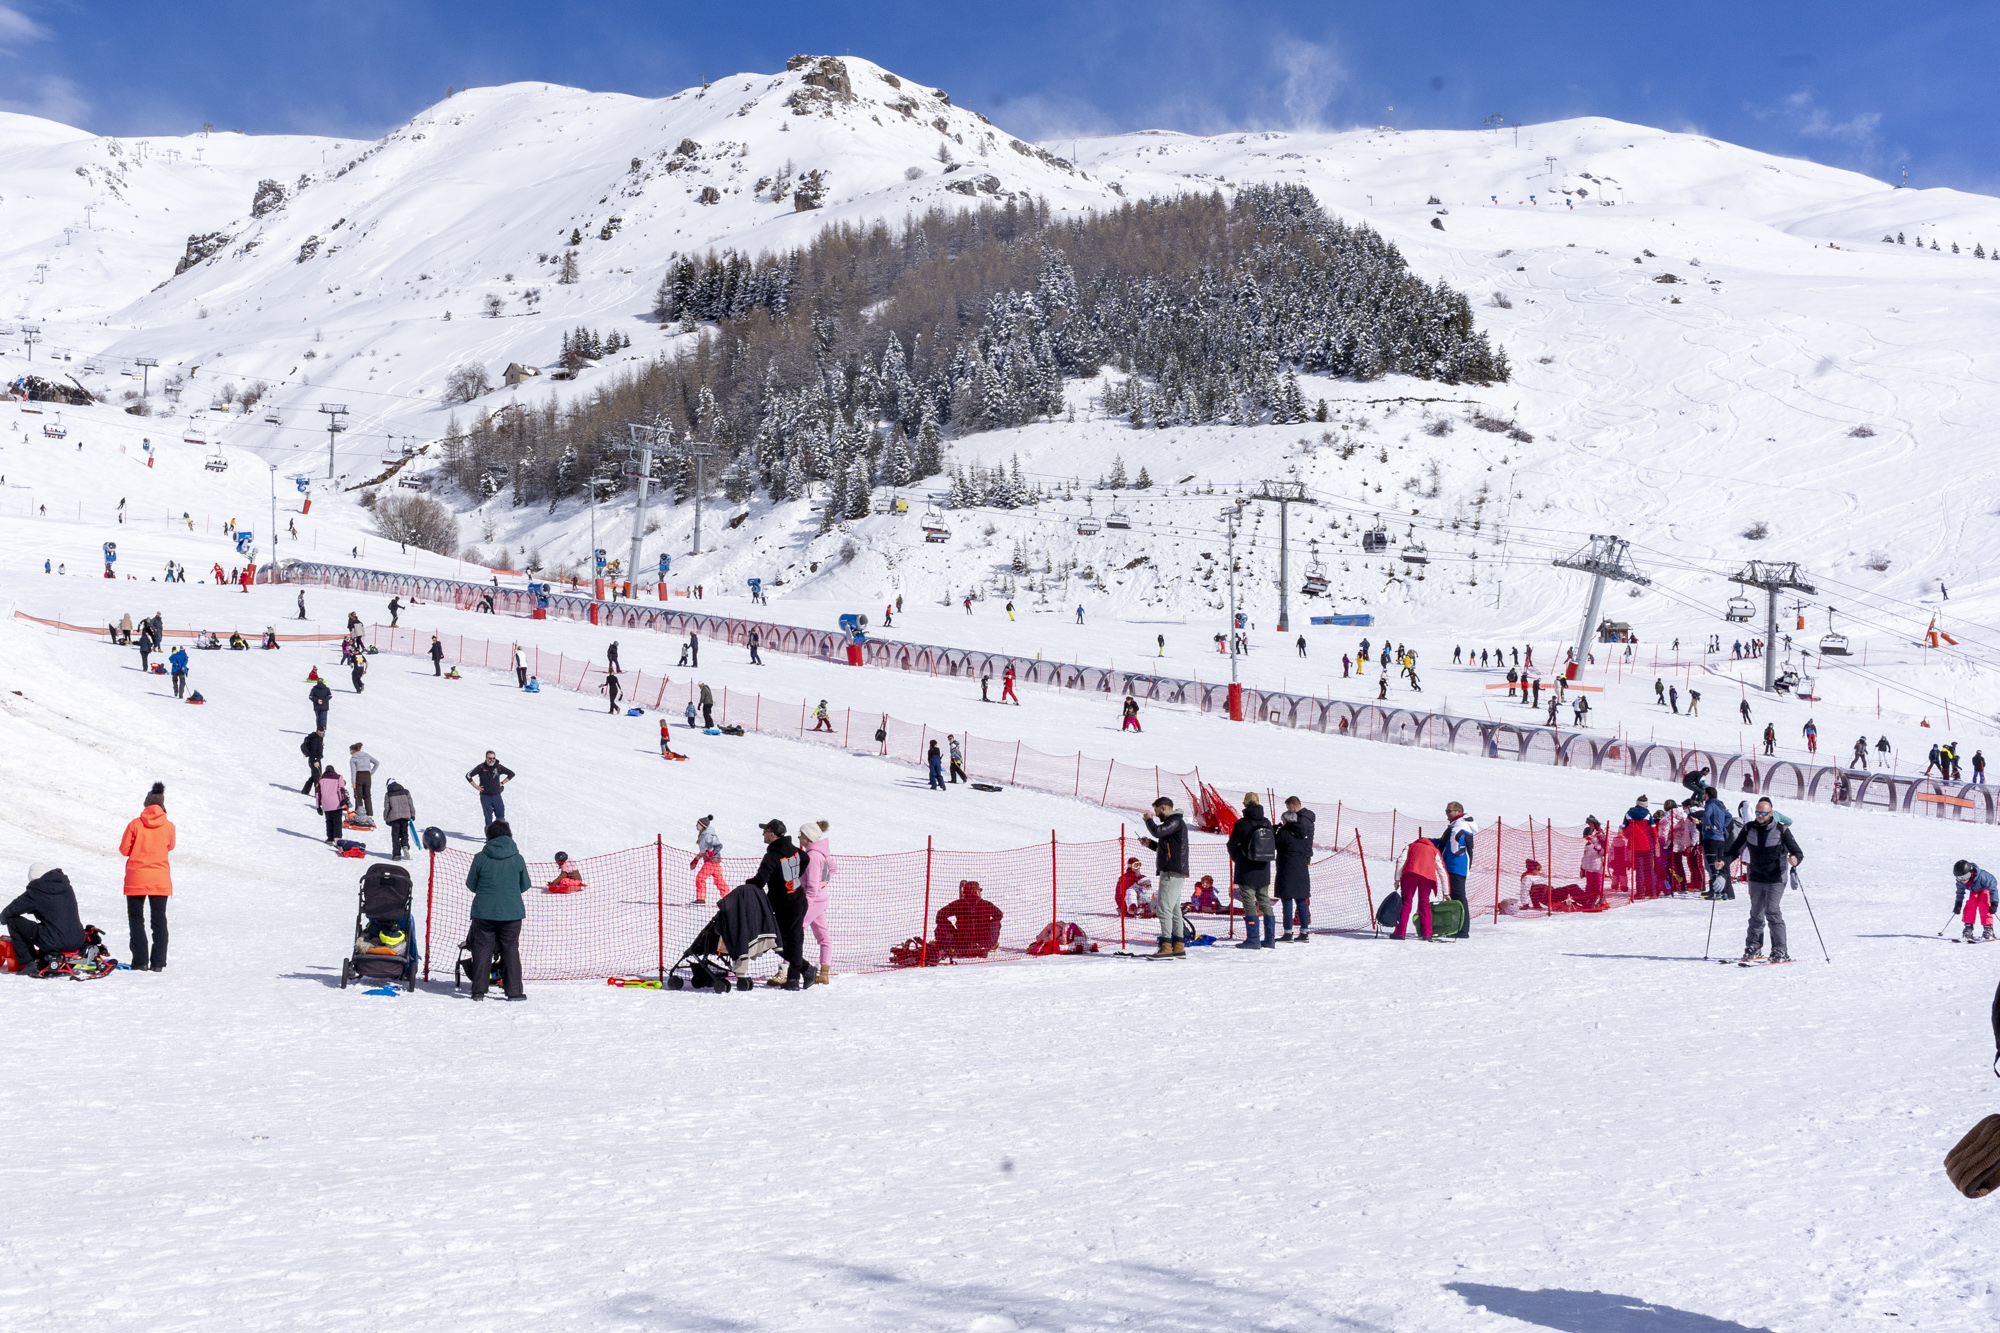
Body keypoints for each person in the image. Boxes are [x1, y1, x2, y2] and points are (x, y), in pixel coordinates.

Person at [1722, 798, 1803, 964]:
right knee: (1756, 913)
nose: (1759, 816)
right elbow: (1735, 849)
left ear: (1771, 813)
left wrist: (1795, 860)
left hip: (1776, 877)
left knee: (1772, 911)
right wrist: (1723, 861)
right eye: (1757, 813)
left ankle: (1780, 949)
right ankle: (1754, 946)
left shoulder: (1781, 830)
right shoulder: (1749, 828)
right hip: (1756, 877)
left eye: (1763, 813)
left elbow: (1797, 852)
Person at [464, 820, 529, 1001]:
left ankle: (478, 991)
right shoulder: (518, 858)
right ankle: (514, 991)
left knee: (482, 949)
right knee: (510, 950)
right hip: (512, 913)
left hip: (484, 912)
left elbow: (471, 884)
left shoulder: (480, 857)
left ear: (489, 836)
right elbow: (525, 885)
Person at [747, 819, 814, 988]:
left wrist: (749, 885)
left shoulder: (772, 855)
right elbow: (805, 858)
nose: (763, 834)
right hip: (797, 900)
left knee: (777, 941)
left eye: (765, 831)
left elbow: (761, 880)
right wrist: (793, 877)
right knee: (793, 940)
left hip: (785, 905)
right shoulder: (793, 850)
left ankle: (797, 975)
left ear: (772, 833)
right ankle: (801, 973)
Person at [120, 783, 175, 970]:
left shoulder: (135, 824)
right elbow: (171, 846)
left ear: (146, 804)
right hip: (160, 879)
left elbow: (124, 849)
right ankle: (158, 963)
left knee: (136, 919)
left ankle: (140, 961)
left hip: (136, 879)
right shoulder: (169, 827)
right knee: (159, 920)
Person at [5, 863, 87, 975]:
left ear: (32, 878)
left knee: (12, 920)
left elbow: (12, 910)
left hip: (56, 942)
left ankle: (29, 963)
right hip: (78, 941)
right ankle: (44, 959)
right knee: (52, 924)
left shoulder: (36, 890)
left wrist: (2, 918)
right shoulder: (66, 887)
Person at [1140, 797, 1190, 956]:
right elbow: (1166, 848)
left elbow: (1157, 831)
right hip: (1172, 871)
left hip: (1172, 872)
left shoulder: (1175, 821)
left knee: (1163, 909)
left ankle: (1166, 946)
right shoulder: (1173, 824)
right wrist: (1149, 843)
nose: (1155, 815)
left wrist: (1148, 821)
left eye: (1156, 811)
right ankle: (1178, 946)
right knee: (1174, 910)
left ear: (1163, 808)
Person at [1226, 793, 1276, 949]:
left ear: (1245, 805)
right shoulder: (1267, 823)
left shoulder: (1241, 824)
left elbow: (1232, 845)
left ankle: (1253, 938)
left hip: (1246, 869)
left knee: (1249, 902)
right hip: (1263, 868)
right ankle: (1270, 938)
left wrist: (1238, 859)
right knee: (1265, 901)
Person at [798, 819, 836, 983]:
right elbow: (832, 867)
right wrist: (824, 883)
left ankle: (786, 970)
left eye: (801, 834)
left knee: (795, 931)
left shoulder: (813, 856)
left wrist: (803, 905)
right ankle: (824, 973)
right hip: (820, 900)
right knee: (823, 936)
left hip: (813, 901)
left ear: (808, 837)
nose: (798, 837)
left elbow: (812, 887)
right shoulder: (819, 853)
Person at [1275, 797, 1315, 941]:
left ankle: (1288, 932)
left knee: (1287, 902)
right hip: (1302, 870)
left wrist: (1276, 831)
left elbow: (1275, 844)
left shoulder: (1284, 834)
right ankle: (1304, 932)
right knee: (1301, 901)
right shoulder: (1302, 832)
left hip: (1287, 871)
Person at [1393, 834, 1444, 940]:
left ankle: (1400, 932)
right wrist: (1446, 892)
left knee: (1406, 902)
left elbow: (1401, 861)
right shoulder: (1434, 851)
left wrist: (1397, 879)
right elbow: (1442, 871)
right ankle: (1427, 934)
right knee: (1424, 903)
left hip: (1410, 873)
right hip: (1427, 877)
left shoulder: (1411, 846)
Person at [934, 880, 1003, 958]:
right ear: (977, 892)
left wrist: (952, 928)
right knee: (996, 922)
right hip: (983, 940)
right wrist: (987, 924)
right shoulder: (986, 904)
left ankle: (946, 943)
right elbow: (999, 915)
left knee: (942, 923)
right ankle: (985, 946)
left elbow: (940, 915)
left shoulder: (958, 904)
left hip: (962, 940)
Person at [1435, 801, 1474, 935]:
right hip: (1454, 865)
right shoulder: (1458, 825)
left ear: (1458, 811)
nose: (1446, 814)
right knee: (1454, 897)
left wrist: (1452, 853)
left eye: (1449, 811)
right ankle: (1456, 927)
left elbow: (1455, 845)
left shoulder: (1460, 825)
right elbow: (1445, 843)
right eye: (1446, 811)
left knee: (1458, 897)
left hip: (1456, 866)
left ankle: (1462, 930)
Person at [1700, 786, 1734, 899]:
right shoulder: (1720, 805)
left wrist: (1708, 825)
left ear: (1708, 794)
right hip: (1721, 839)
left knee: (1712, 865)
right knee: (1719, 864)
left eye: (1704, 794)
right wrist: (1722, 827)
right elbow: (1729, 816)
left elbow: (1706, 815)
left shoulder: (1709, 804)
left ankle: (1715, 892)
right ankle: (1722, 891)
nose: (1703, 796)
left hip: (1711, 838)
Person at [465, 752, 514, 827]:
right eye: (490, 758)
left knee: (501, 817)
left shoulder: (498, 767)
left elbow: (511, 773)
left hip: (496, 796)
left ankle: (500, 835)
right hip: (485, 796)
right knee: (488, 818)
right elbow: (468, 775)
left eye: (493, 758)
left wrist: (502, 783)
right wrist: (476, 786)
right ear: (486, 758)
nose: (492, 760)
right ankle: (489, 837)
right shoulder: (481, 767)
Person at [1622, 795, 1657, 898]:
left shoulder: (1628, 814)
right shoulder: (1648, 815)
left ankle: (1640, 892)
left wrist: (1630, 837)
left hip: (1634, 844)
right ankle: (1651, 891)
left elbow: (1624, 829)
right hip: (1647, 844)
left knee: (1639, 870)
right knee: (1649, 869)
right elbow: (1653, 830)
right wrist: (1654, 843)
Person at [1953, 861, 1997, 942]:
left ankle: (1988, 929)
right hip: (1975, 889)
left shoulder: (1983, 877)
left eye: (1966, 876)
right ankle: (1968, 928)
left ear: (1971, 872)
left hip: (1986, 887)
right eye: (1960, 878)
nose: (1963, 880)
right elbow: (1960, 892)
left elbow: (1993, 889)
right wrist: (1958, 904)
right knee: (1971, 903)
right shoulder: (1961, 882)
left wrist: (1994, 903)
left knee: (1983, 902)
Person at [690, 815, 726, 903]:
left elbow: (719, 845)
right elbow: (703, 851)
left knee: (700, 878)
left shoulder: (707, 835)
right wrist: (696, 859)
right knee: (719, 880)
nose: (696, 825)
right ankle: (727, 897)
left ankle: (701, 898)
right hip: (714, 862)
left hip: (711, 861)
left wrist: (712, 853)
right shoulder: (703, 835)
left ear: (703, 826)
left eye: (698, 824)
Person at [383, 779, 416, 860]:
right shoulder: (406, 792)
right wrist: (412, 814)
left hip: (394, 818)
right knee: (404, 833)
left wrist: (386, 818)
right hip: (405, 816)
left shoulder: (388, 794)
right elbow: (410, 804)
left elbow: (387, 808)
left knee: (395, 836)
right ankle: (405, 845)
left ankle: (396, 854)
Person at [316, 766, 349, 843]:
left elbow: (318, 793)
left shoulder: (321, 779)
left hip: (326, 804)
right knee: (337, 822)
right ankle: (337, 839)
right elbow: (341, 789)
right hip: (336, 803)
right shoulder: (338, 777)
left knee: (329, 821)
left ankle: (330, 838)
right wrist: (343, 800)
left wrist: (318, 807)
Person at [348, 743, 378, 817]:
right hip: (367, 776)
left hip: (359, 776)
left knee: (358, 795)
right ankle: (370, 813)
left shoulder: (353, 759)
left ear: (353, 751)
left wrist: (353, 782)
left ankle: (359, 813)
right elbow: (377, 763)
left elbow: (353, 771)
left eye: (350, 751)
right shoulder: (366, 755)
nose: (350, 753)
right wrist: (371, 772)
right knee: (367, 795)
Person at [300, 726, 326, 794]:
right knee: (317, 776)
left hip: (316, 759)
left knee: (314, 775)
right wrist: (315, 760)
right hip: (314, 760)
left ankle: (305, 791)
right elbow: (313, 751)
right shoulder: (314, 739)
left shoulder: (318, 738)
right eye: (320, 734)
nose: (321, 735)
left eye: (323, 734)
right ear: (317, 731)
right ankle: (317, 793)